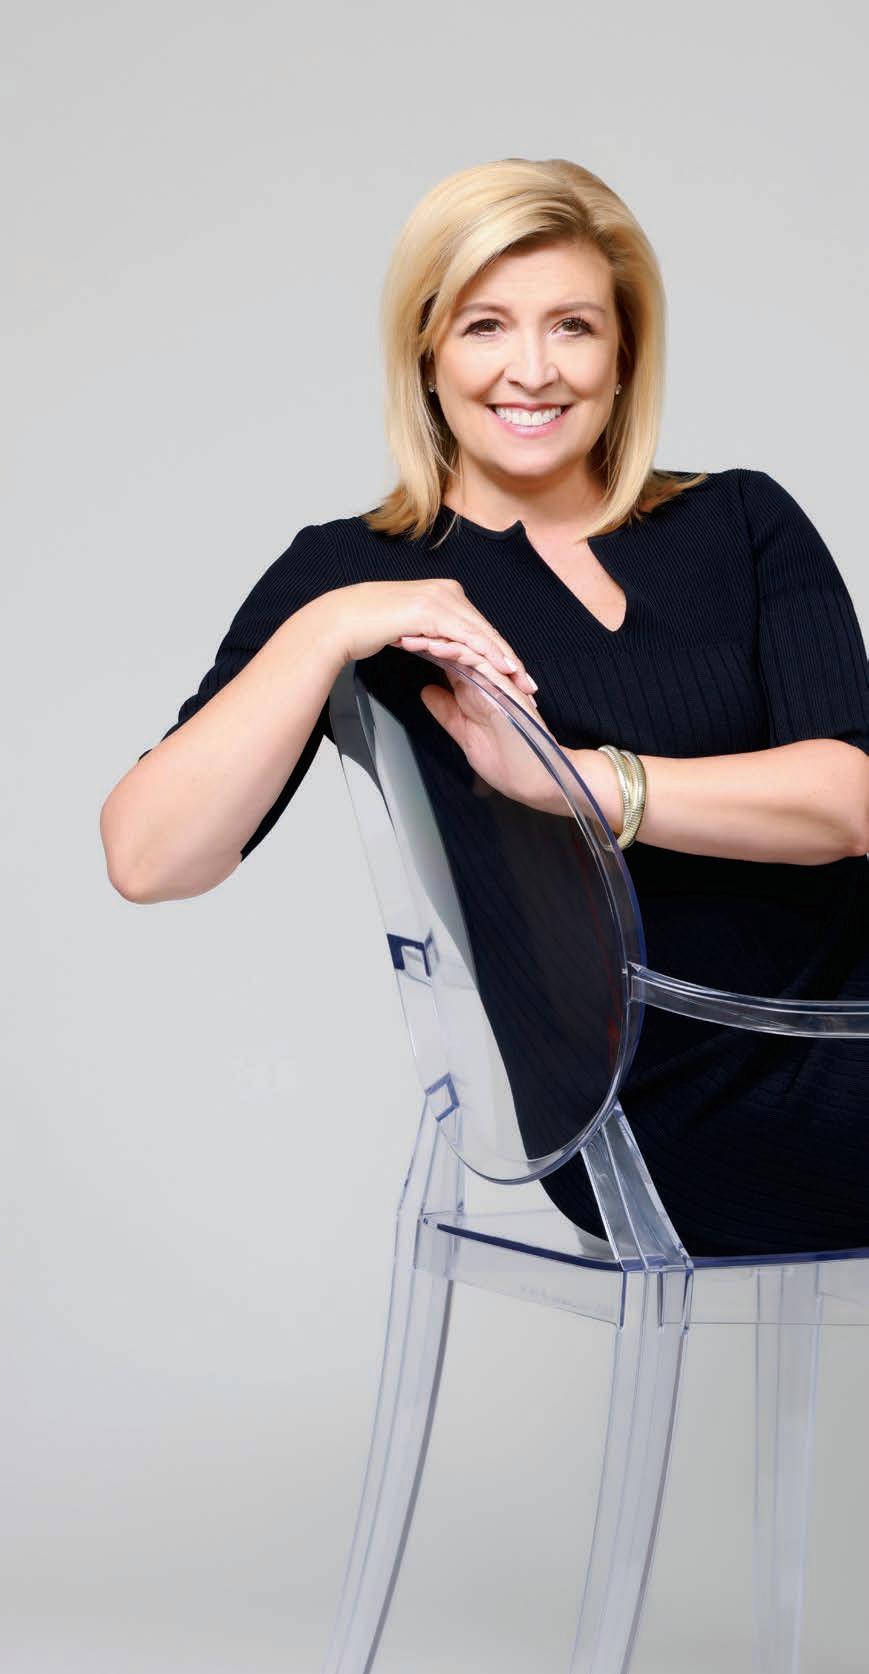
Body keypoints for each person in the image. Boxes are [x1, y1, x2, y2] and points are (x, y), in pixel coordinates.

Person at [100, 157, 869, 1259]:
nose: (532, 369)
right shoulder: (356, 573)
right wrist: (331, 624)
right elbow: (149, 856)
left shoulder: (742, 521)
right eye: (484, 327)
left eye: (572, 326)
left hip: (845, 1021)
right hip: (662, 1107)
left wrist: (569, 781)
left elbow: (845, 804)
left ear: (622, 353)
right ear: (426, 351)